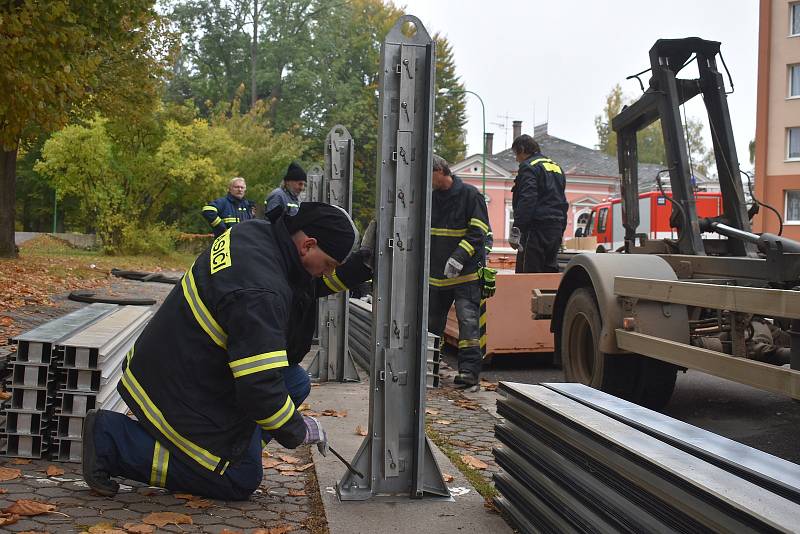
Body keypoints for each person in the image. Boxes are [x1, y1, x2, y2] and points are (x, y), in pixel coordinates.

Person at [82, 202, 373, 501]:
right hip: (178, 390)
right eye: (328, 265)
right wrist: (297, 430)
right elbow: (259, 387)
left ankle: (224, 452)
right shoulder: (260, 293)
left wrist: (361, 267)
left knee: (294, 382)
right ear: (308, 245)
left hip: (174, 361)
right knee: (241, 478)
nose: (326, 273)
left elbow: (306, 284)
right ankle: (112, 441)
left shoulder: (260, 235)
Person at [427, 154, 491, 387]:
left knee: (468, 322)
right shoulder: (430, 198)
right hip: (436, 276)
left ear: (441, 171)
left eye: (429, 174)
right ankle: (430, 367)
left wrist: (458, 258)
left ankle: (469, 373)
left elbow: (478, 231)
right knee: (432, 324)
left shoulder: (470, 195)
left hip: (466, 274)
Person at [509, 134, 568, 273]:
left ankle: (527, 295)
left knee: (528, 274)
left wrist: (517, 229)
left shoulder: (529, 167)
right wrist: (561, 228)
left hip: (536, 230)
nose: (517, 159)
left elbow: (527, 199)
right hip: (556, 229)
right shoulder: (557, 167)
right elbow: (561, 200)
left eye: (516, 154)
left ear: (522, 149)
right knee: (549, 272)